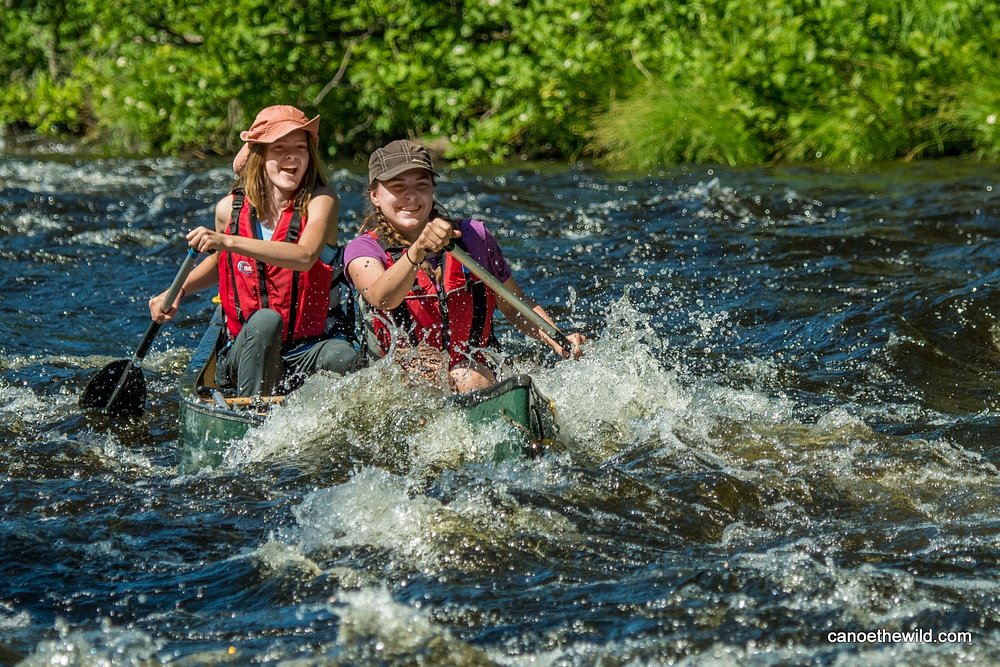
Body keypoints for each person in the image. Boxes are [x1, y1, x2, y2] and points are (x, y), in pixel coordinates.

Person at [345, 139, 586, 393]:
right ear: (375, 196)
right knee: (447, 376)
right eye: (397, 187)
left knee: (471, 376)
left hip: (477, 369)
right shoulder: (362, 251)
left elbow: (514, 305)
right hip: (404, 381)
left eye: (421, 186)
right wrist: (417, 250)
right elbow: (383, 299)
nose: (411, 196)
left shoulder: (474, 237)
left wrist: (558, 339)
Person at [149, 105, 356, 397]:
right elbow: (222, 263)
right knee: (266, 319)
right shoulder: (228, 210)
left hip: (307, 349)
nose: (291, 157)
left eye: (300, 148)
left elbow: (305, 256)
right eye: (280, 148)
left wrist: (228, 241)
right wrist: (178, 291)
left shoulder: (321, 201)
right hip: (246, 350)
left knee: (343, 356)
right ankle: (251, 411)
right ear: (260, 157)